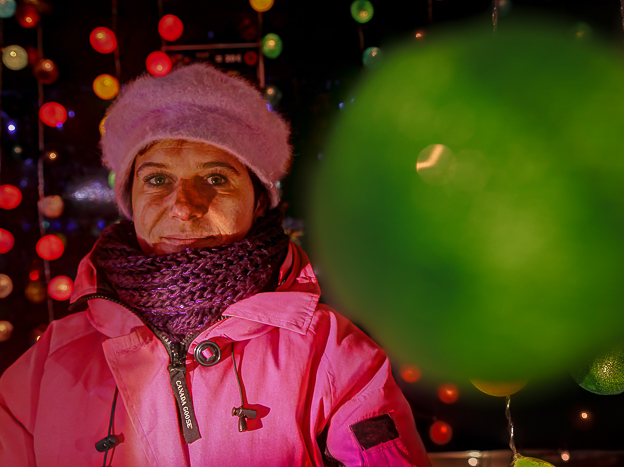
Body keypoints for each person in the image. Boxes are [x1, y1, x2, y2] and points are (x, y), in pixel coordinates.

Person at [0, 63, 431, 466]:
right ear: (130, 200)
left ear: (258, 200)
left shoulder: (332, 355)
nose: (184, 206)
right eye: (157, 179)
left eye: (215, 178)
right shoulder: (48, 364)